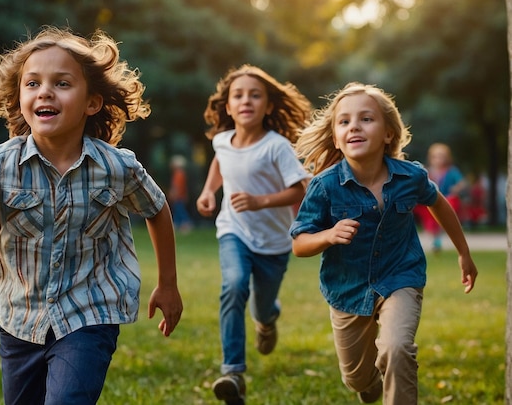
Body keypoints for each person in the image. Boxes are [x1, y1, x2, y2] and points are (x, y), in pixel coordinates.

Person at [0, 26, 183, 405]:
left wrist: (169, 284)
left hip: (90, 313)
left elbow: (157, 210)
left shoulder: (117, 167)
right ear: (21, 98)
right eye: (33, 84)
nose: (45, 91)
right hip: (20, 319)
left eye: (61, 83)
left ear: (92, 102)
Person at [289, 82, 478, 404]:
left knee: (397, 347)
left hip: (400, 277)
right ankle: (371, 382)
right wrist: (328, 235)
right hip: (347, 289)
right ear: (336, 137)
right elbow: (300, 243)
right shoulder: (324, 186)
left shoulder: (411, 177)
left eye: (366, 119)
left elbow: (439, 204)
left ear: (388, 133)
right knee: (356, 378)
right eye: (344, 121)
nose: (354, 127)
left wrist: (464, 253)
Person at [196, 65, 311, 405]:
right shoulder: (221, 141)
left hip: (274, 243)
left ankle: (267, 319)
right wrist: (208, 191)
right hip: (233, 230)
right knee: (233, 285)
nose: (246, 100)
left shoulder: (276, 147)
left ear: (269, 106)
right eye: (239, 95)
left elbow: (299, 190)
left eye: (255, 95)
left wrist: (261, 201)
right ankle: (233, 371)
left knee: (262, 306)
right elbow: (220, 161)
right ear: (228, 106)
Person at [414, 142, 467, 252]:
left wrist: (455, 189)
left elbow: (462, 183)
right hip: (431, 201)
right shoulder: (427, 171)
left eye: (442, 156)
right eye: (436, 156)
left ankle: (437, 238)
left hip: (447, 200)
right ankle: (435, 238)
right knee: (429, 214)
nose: (439, 159)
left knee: (444, 212)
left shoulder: (452, 171)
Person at [168, 154, 193, 233]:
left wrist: (173, 194)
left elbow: (177, 186)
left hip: (179, 196)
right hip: (181, 195)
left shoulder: (178, 174)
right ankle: (177, 224)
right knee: (178, 210)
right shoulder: (181, 173)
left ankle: (186, 223)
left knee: (180, 210)